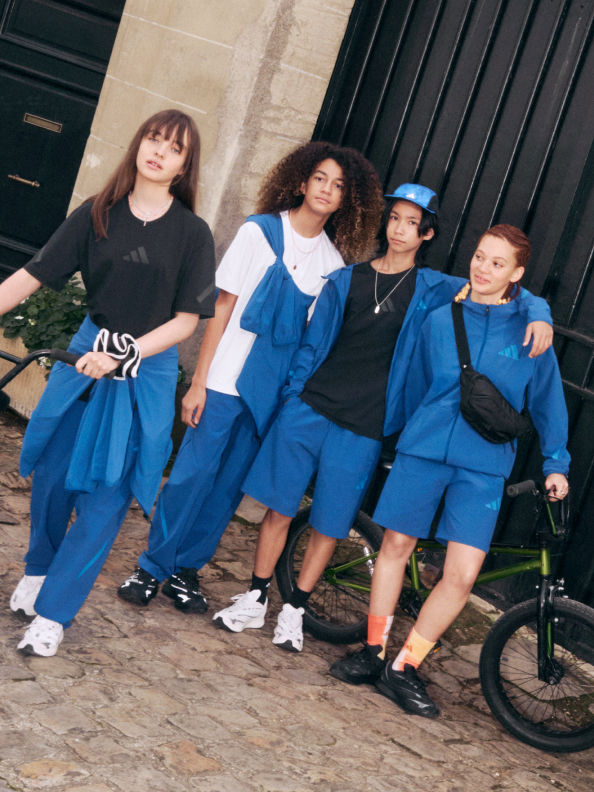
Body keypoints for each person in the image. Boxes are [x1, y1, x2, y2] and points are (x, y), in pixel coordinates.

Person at [212, 187, 554, 653]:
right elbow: (312, 344)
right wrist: (294, 397)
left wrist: (541, 313)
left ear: (427, 233)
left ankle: (295, 609)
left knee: (331, 523)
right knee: (279, 508)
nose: (399, 229)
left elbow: (502, 284)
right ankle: (255, 596)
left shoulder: (436, 288)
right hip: (309, 409)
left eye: (412, 222)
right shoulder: (345, 278)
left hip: (365, 425)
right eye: (394, 218)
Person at [117, 141, 385, 612]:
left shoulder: (332, 265)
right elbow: (222, 308)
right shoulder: (258, 232)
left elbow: (310, 345)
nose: (326, 189)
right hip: (223, 383)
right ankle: (150, 567)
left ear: (348, 199)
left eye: (339, 185)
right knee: (190, 477)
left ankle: (186, 571)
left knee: (227, 488)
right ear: (301, 181)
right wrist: (198, 382)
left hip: (269, 399)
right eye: (319, 178)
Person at [329, 224, 570, 718]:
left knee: (462, 575)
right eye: (480, 256)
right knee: (395, 546)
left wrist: (556, 463)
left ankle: (403, 667)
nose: (483, 268)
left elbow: (548, 403)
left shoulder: (532, 331)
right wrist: (397, 436)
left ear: (517, 274)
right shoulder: (440, 320)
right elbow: (413, 384)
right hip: (423, 452)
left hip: (484, 467)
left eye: (498, 263)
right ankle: (373, 650)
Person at [4, 109, 216, 656]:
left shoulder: (192, 233)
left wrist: (127, 353)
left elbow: (187, 322)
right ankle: (39, 568)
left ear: (184, 166)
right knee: (53, 477)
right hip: (85, 355)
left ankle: (54, 614)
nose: (159, 151)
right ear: (138, 144)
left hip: (146, 368)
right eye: (153, 138)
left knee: (105, 499)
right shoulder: (98, 212)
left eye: (174, 147)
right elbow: (31, 275)